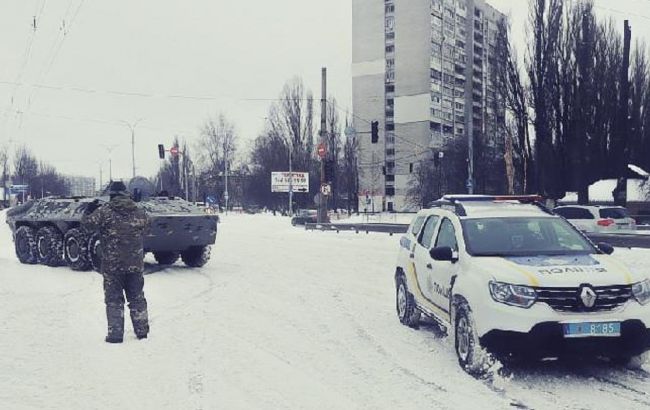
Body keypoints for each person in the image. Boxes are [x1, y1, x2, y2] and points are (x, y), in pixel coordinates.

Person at [82, 182, 150, 343]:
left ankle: (115, 334)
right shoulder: (139, 211)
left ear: (111, 195)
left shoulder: (104, 212)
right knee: (137, 298)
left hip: (113, 266)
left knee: (114, 300)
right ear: (126, 194)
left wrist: (88, 210)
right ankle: (142, 332)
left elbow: (87, 226)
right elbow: (148, 228)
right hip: (135, 265)